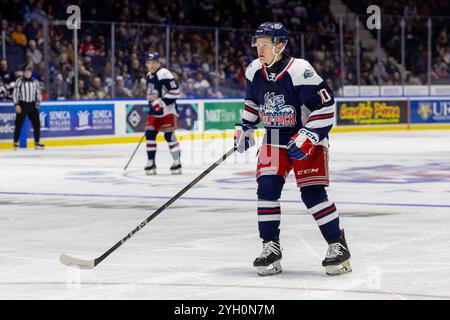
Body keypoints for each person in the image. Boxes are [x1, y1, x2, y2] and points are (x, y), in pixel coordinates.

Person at [234, 22, 351, 276]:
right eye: (258, 43)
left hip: (305, 139)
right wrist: (245, 127)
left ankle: (337, 245)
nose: (259, 49)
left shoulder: (301, 71)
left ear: (280, 45)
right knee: (266, 189)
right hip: (274, 138)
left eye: (265, 44)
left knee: (312, 192)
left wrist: (308, 135)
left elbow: (327, 107)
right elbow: (252, 103)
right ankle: (270, 247)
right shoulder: (254, 70)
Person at [144, 52, 182, 175]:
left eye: (154, 62)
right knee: (150, 134)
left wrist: (160, 103)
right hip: (154, 112)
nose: (152, 65)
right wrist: (152, 105)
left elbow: (175, 91)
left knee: (169, 136)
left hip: (168, 111)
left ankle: (177, 162)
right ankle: (151, 162)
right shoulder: (149, 75)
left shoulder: (164, 73)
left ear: (158, 62)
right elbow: (151, 93)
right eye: (150, 62)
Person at [12, 63, 44, 150]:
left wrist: (38, 101)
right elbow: (15, 94)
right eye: (26, 71)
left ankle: (37, 142)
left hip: (32, 105)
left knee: (36, 124)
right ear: (23, 72)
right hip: (23, 104)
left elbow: (38, 93)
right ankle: (16, 142)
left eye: (29, 71)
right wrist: (16, 104)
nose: (28, 73)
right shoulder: (19, 81)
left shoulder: (35, 81)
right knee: (19, 124)